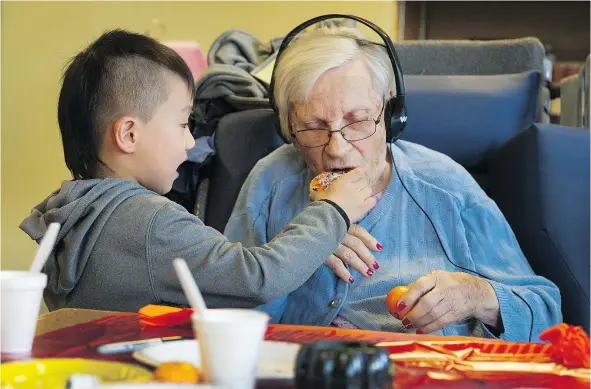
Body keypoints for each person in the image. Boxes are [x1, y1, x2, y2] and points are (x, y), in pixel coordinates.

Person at [224, 25, 562, 341]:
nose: (337, 149)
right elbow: (223, 316)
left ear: (389, 115)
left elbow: (548, 317)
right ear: (289, 129)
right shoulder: (271, 181)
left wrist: (478, 296)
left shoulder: (445, 186)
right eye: (312, 126)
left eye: (357, 121)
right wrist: (295, 250)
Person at [19, 29, 378, 312]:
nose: (191, 142)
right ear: (129, 134)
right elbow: (257, 278)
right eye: (182, 123)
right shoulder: (149, 222)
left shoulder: (69, 215)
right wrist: (333, 211)